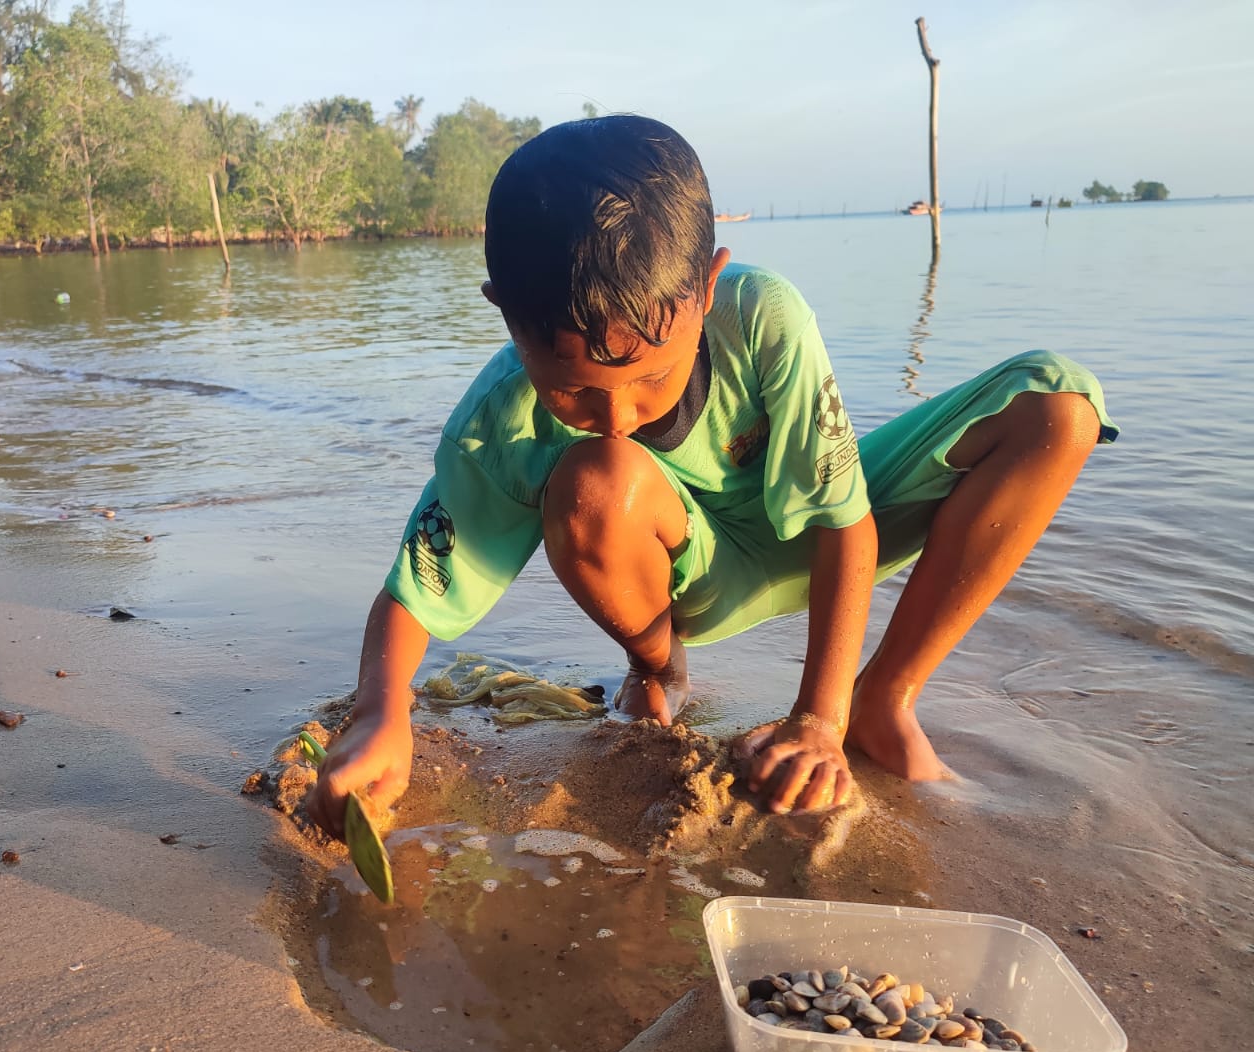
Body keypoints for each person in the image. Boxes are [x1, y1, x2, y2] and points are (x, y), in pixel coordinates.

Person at [308, 115, 1116, 833]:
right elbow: (415, 591)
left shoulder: (762, 315)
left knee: (1057, 405)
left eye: (650, 380)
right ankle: (659, 669)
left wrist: (818, 721)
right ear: (504, 313)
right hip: (685, 575)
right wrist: (383, 711)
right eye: (575, 391)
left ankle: (884, 700)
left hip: (820, 540)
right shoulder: (497, 425)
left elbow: (844, 519)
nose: (622, 418)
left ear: (707, 285)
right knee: (600, 476)